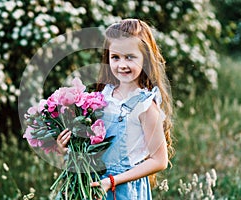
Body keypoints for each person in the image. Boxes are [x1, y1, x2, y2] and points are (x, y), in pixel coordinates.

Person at [57, 18, 174, 200]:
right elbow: (94, 144)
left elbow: (159, 161)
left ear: (145, 58)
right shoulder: (103, 96)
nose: (122, 65)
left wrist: (111, 181)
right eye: (115, 57)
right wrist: (68, 148)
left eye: (130, 57)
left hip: (122, 189)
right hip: (93, 181)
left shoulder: (145, 106)